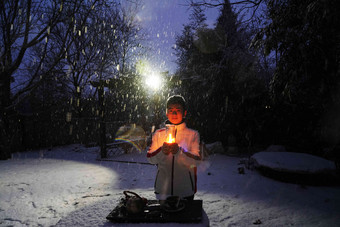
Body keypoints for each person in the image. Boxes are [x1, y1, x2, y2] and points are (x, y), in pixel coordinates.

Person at [147, 95, 201, 200]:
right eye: (171, 110)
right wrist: (161, 151)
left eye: (178, 110)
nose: (174, 113)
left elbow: (197, 161)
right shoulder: (158, 134)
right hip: (163, 190)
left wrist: (180, 152)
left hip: (185, 191)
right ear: (167, 113)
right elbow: (150, 159)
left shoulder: (192, 134)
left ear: (184, 113)